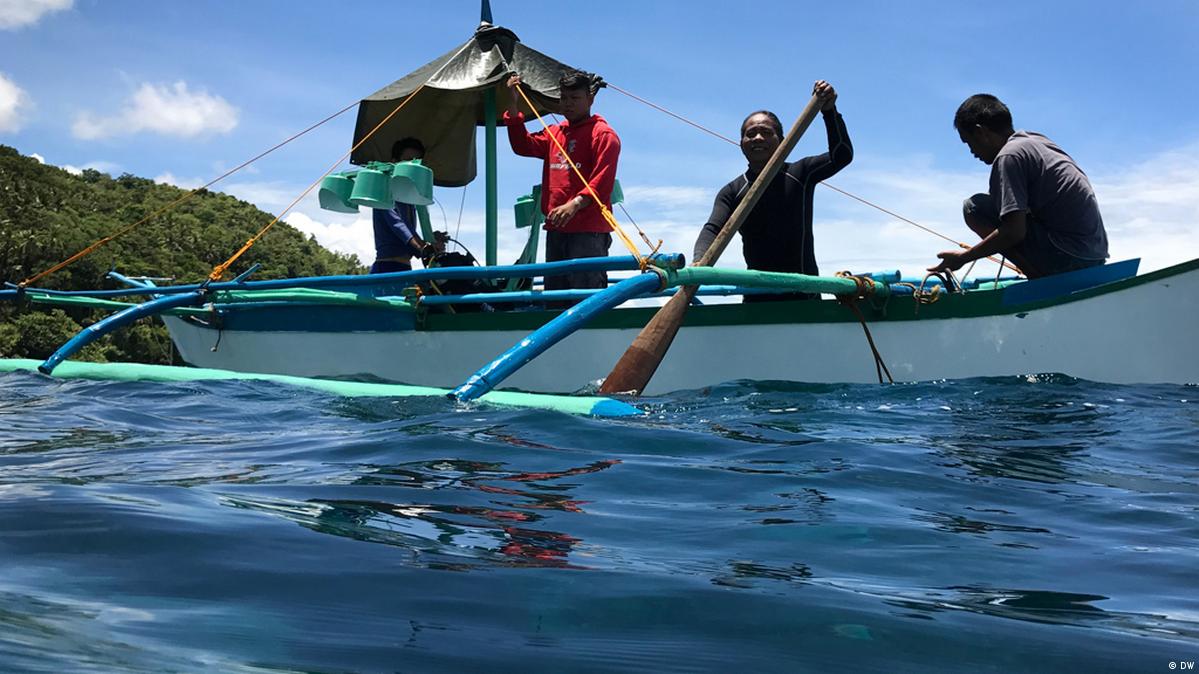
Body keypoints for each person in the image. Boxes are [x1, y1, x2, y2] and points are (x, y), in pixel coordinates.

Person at [693, 80, 852, 302]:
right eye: (751, 134)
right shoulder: (732, 191)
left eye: (766, 133)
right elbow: (712, 230)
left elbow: (842, 156)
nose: (757, 138)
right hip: (757, 298)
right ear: (741, 143)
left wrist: (829, 111)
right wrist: (699, 264)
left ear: (782, 141)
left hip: (805, 296)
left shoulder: (801, 173)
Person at [929, 94, 1108, 279]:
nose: (972, 152)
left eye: (969, 143)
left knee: (974, 208)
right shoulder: (1035, 141)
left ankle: (1039, 279)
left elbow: (1014, 232)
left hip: (1070, 258)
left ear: (981, 132)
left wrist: (963, 258)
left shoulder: (1009, 157)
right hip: (1094, 255)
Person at [504, 71, 621, 291]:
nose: (568, 104)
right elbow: (522, 145)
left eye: (575, 99)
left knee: (585, 300)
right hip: (556, 230)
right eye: (564, 98)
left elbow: (602, 182)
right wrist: (513, 103)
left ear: (590, 99)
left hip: (589, 233)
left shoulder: (603, 134)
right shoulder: (554, 133)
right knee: (555, 300)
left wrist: (574, 204)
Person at [369, 137, 442, 274]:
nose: (412, 166)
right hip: (386, 267)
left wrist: (431, 241)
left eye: (417, 162)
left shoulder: (409, 199)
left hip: (404, 268)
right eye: (408, 160)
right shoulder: (385, 193)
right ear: (394, 162)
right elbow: (400, 227)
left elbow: (410, 235)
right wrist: (424, 248)